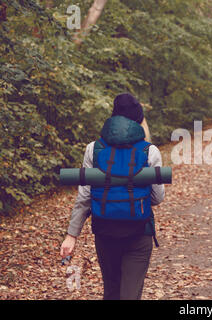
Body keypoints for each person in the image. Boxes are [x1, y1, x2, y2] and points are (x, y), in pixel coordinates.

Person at [60, 93, 165, 300]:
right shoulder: (149, 151)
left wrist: (72, 235)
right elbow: (157, 197)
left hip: (105, 232)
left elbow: (85, 196)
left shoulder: (94, 149)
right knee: (130, 294)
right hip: (139, 231)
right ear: (139, 119)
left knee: (111, 291)